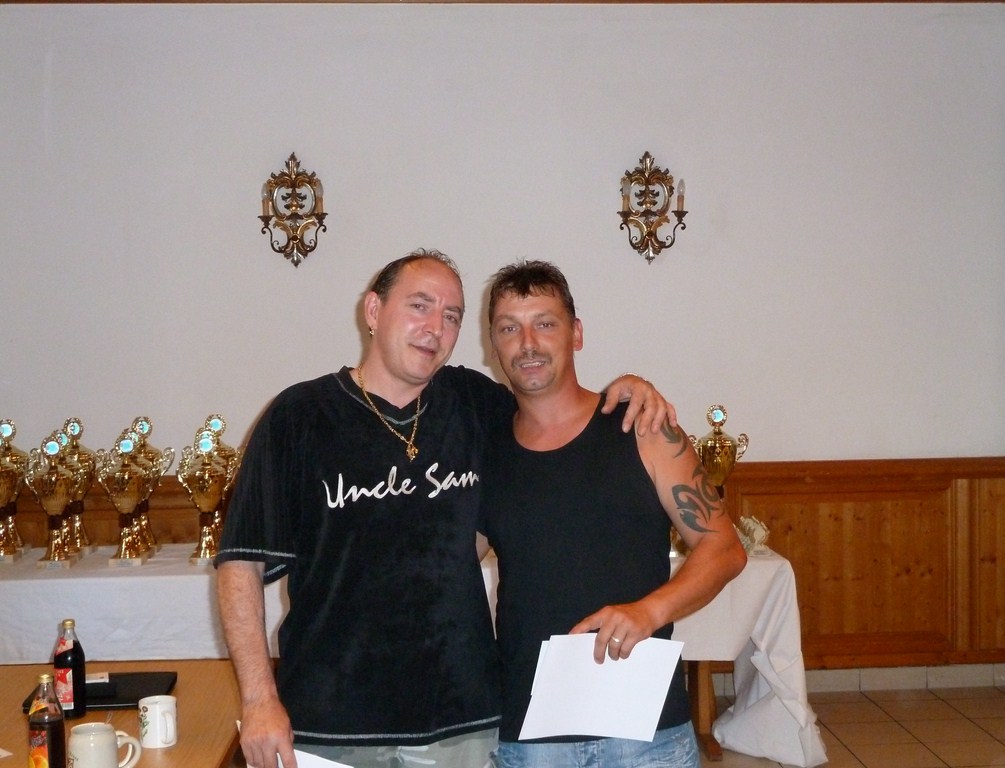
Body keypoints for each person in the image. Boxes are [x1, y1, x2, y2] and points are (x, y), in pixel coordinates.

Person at [215, 249, 675, 768]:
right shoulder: (299, 418)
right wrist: (259, 700)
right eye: (419, 306)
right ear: (373, 310)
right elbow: (240, 567)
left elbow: (556, 404)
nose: (435, 327)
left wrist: (632, 388)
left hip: (461, 719)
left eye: (451, 315)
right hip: (331, 719)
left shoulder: (476, 405)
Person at [481, 260, 748, 768]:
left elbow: (725, 547)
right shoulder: (484, 451)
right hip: (531, 737)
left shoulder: (641, 427)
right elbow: (446, 557)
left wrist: (649, 611)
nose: (528, 343)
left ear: (576, 334)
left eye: (545, 323)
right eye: (509, 328)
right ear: (493, 344)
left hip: (647, 731)